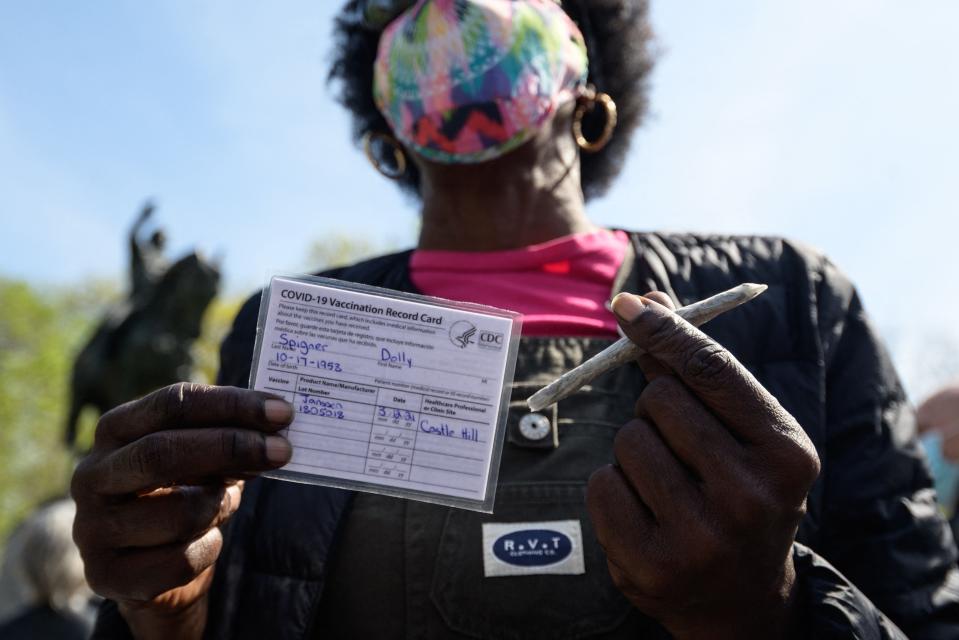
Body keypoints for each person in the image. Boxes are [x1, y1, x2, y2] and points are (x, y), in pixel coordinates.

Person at [72, 1, 959, 638]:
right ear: (385, 124)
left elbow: (922, 611)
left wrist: (768, 615)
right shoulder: (290, 326)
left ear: (590, 84)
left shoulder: (795, 299)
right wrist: (162, 611)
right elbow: (230, 604)